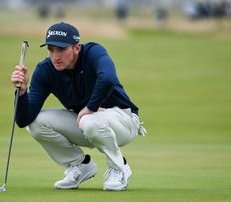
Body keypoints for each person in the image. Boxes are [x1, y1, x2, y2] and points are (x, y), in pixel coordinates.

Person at [11, 22, 147, 191]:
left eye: (61, 49)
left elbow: (108, 79)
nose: (56, 56)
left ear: (77, 48)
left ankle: (119, 168)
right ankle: (80, 165)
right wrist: (22, 92)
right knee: (37, 124)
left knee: (89, 120)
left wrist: (91, 107)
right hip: (88, 123)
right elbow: (24, 119)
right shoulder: (45, 70)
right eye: (51, 49)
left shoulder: (93, 52)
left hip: (124, 121)